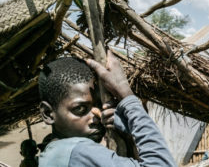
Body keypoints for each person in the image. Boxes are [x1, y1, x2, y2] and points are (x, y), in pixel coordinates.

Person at [37, 53, 176, 166]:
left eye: (97, 105)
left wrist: (127, 137)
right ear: (48, 114)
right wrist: (126, 95)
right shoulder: (79, 152)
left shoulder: (55, 153)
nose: (96, 116)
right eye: (80, 108)